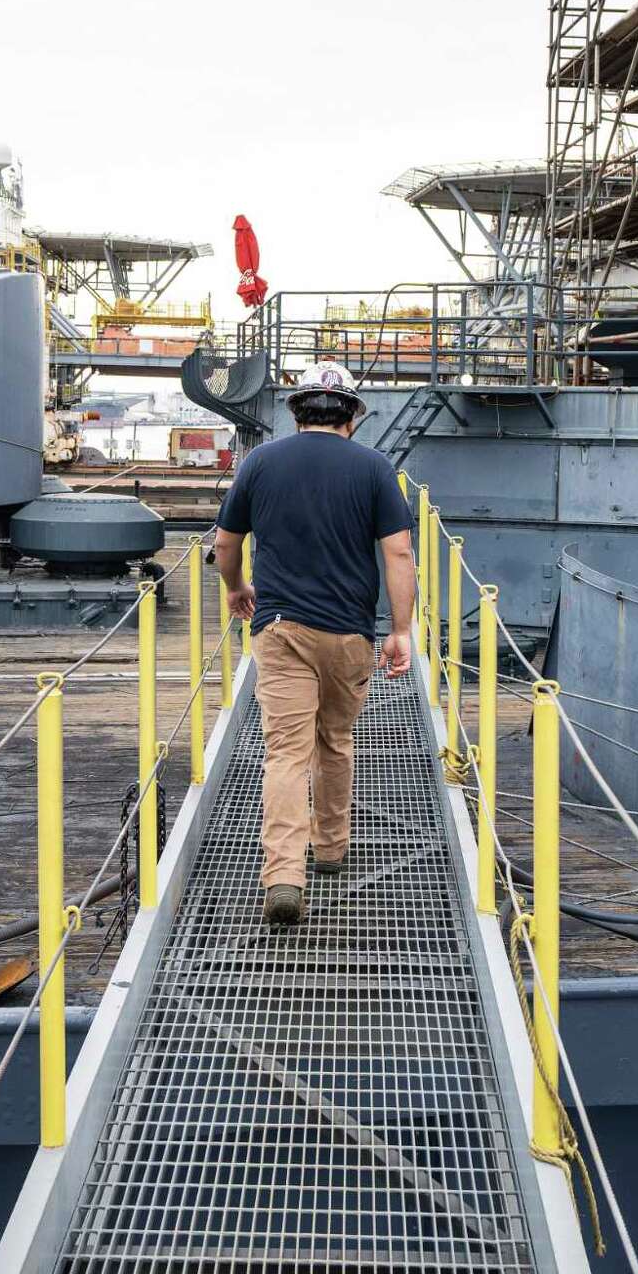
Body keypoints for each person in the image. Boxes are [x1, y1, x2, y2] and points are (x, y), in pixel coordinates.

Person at [215, 361, 417, 925]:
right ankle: (330, 849)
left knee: (284, 752)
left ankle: (283, 875)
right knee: (335, 739)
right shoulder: (376, 468)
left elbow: (227, 542)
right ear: (352, 414)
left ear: (298, 410)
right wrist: (400, 631)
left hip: (281, 630)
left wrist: (236, 588)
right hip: (350, 632)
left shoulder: (260, 462)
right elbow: (398, 554)